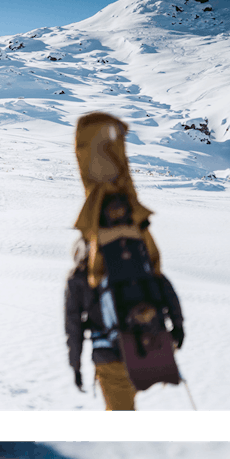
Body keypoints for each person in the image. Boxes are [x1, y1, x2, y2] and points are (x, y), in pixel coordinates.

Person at [65, 111, 183, 410]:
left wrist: (76, 365)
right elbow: (162, 282)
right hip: (150, 341)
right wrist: (177, 326)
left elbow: (73, 326)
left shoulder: (80, 279)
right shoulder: (136, 249)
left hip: (110, 354)